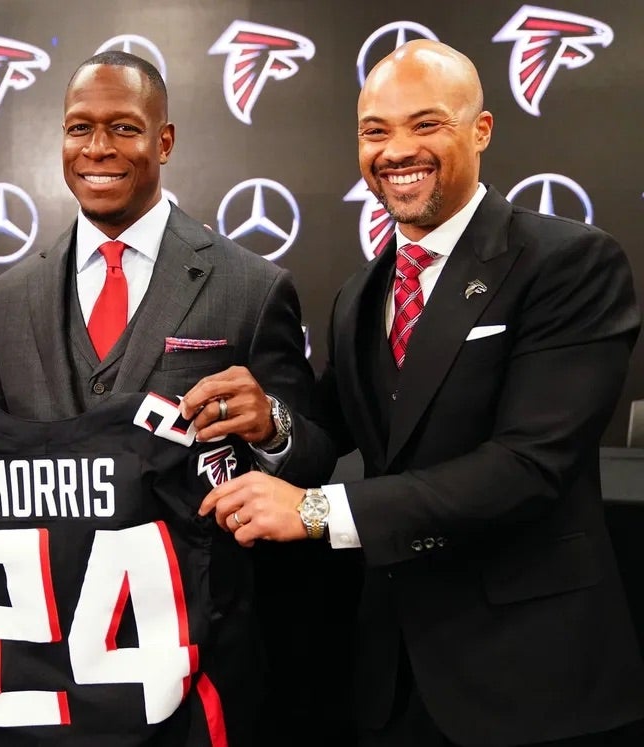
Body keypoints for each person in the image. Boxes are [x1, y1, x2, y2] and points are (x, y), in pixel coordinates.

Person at [0, 51, 341, 744]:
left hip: (196, 667)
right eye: (79, 129)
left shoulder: (251, 287)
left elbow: (313, 454)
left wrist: (273, 426)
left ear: (164, 140)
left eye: (124, 128)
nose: (98, 149)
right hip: (45, 675)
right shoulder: (7, 299)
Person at [197, 39, 644, 746]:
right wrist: (272, 422)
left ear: (481, 130)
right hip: (393, 681)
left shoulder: (569, 262)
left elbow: (528, 466)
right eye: (375, 131)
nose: (396, 149)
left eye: (425, 124)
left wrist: (316, 510)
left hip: (535, 684)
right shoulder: (360, 293)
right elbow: (330, 430)